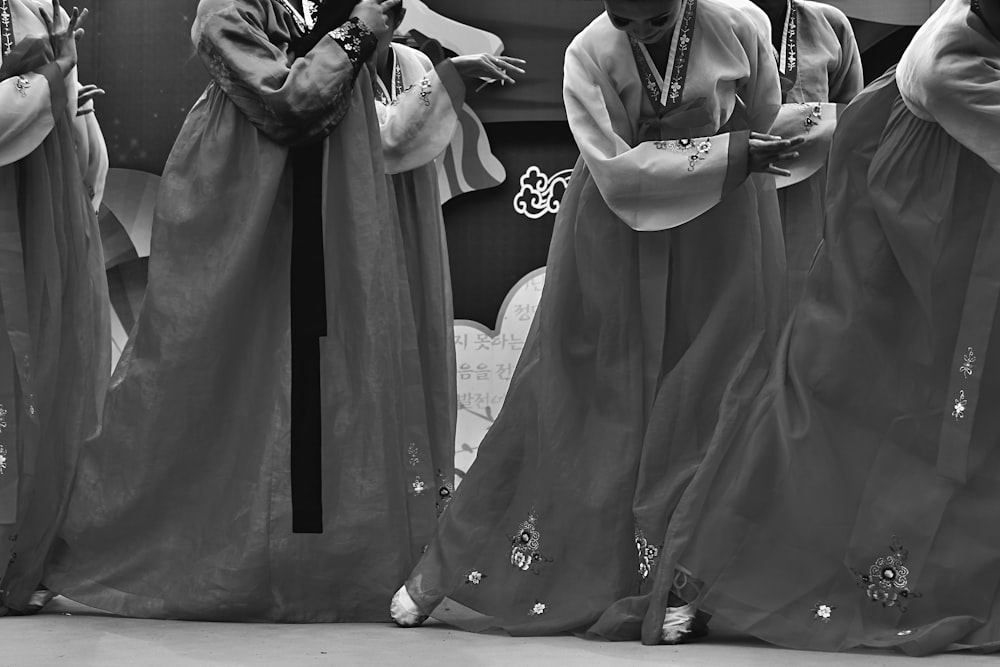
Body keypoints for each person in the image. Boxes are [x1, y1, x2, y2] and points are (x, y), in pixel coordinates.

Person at [391, 0, 802, 638]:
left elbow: (769, 121)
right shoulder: (588, 50)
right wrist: (733, 155)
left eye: (654, 18)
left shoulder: (741, 21)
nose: (638, 29)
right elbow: (615, 168)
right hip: (619, 230)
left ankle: (686, 576)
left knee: (721, 389)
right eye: (624, 17)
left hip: (724, 228)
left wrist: (807, 135)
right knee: (584, 391)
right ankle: (452, 568)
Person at [45, 0, 448, 623]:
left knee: (333, 374)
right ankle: (121, 546)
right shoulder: (227, 8)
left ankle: (320, 562)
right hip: (242, 200)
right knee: (204, 371)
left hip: (334, 198)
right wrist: (361, 28)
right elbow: (289, 103)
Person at [644, 0, 1000, 653]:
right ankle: (710, 574)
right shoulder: (947, 65)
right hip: (901, 231)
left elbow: (846, 102)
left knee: (970, 419)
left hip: (959, 220)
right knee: (823, 394)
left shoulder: (834, 26)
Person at [373, 1, 525, 515]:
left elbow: (418, 138)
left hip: (414, 217)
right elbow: (386, 137)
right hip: (355, 217)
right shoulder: (332, 66)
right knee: (368, 345)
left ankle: (417, 496)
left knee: (418, 336)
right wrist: (451, 78)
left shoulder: (411, 63)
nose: (388, 14)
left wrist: (448, 83)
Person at [0, 0, 110, 615]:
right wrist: (45, 76)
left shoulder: (41, 4)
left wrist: (71, 98)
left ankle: (24, 553)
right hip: (18, 206)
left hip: (45, 205)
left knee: (46, 369)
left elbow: (75, 135)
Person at [752, 0, 862, 301]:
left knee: (807, 294)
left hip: (815, 187)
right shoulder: (716, 24)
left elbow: (852, 116)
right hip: (740, 183)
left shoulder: (831, 23)